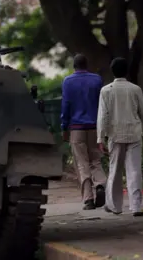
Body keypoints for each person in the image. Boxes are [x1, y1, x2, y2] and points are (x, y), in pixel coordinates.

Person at [97, 57, 143, 217]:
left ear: (112, 71)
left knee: (115, 171)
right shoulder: (135, 89)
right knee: (134, 171)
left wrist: (100, 137)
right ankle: (136, 207)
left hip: (115, 134)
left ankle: (115, 206)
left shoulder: (106, 90)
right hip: (134, 133)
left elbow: (102, 116)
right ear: (126, 71)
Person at [61, 54, 107, 210]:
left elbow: (66, 105)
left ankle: (88, 199)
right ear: (87, 65)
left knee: (81, 163)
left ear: (74, 66)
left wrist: (64, 127)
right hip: (94, 126)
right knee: (95, 159)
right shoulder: (96, 80)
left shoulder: (68, 81)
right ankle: (100, 184)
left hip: (76, 128)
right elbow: (102, 104)